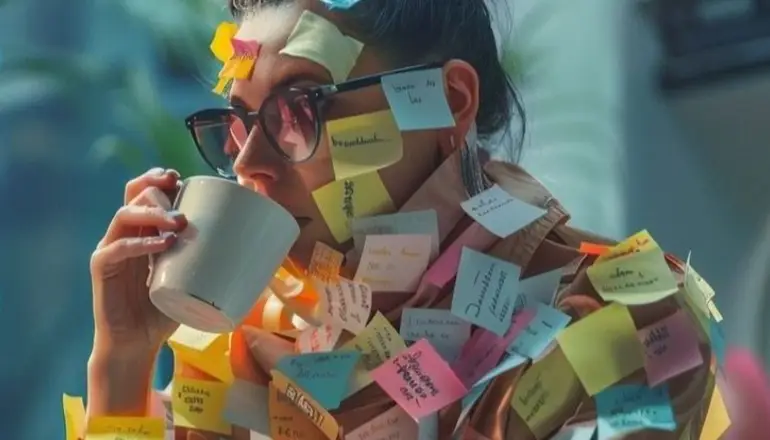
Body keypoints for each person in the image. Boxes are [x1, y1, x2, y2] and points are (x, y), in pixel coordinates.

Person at [83, 0, 769, 438]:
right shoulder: (251, 345)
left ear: (448, 101)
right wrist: (123, 356)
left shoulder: (623, 312)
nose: (251, 164)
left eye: (300, 109)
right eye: (237, 125)